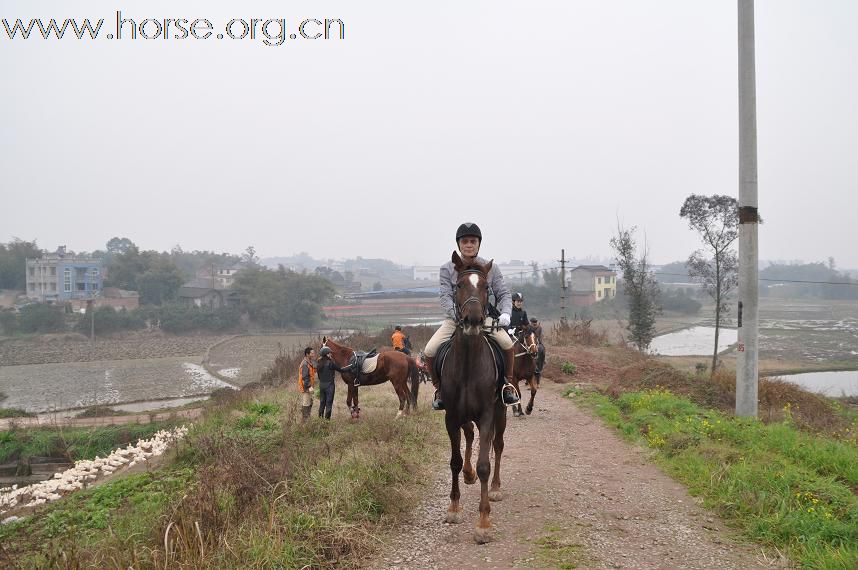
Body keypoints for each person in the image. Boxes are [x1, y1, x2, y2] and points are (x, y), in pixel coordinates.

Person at [423, 222, 520, 410]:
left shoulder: (490, 267)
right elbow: (445, 297)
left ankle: (507, 385)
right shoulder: (447, 269)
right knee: (429, 350)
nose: (469, 245)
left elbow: (503, 294)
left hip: (485, 318)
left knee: (507, 344)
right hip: (456, 319)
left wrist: (506, 313)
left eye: (473, 241)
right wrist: (457, 316)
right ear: (459, 244)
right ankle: (440, 389)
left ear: (478, 244)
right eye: (465, 241)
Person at [316, 346, 338, 419]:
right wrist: (350, 367)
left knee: (322, 403)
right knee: (329, 403)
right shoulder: (330, 363)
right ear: (327, 354)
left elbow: (319, 376)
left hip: (321, 385)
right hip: (330, 386)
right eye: (329, 353)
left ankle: (320, 420)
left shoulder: (319, 363)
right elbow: (340, 369)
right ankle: (327, 422)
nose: (330, 354)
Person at [298, 347, 316, 422]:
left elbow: (312, 372)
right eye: (312, 353)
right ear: (307, 354)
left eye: (313, 353)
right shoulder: (305, 364)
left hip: (308, 387)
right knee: (306, 403)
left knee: (310, 402)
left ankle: (307, 418)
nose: (313, 354)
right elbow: (305, 377)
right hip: (306, 387)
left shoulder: (309, 362)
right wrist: (309, 387)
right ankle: (305, 421)